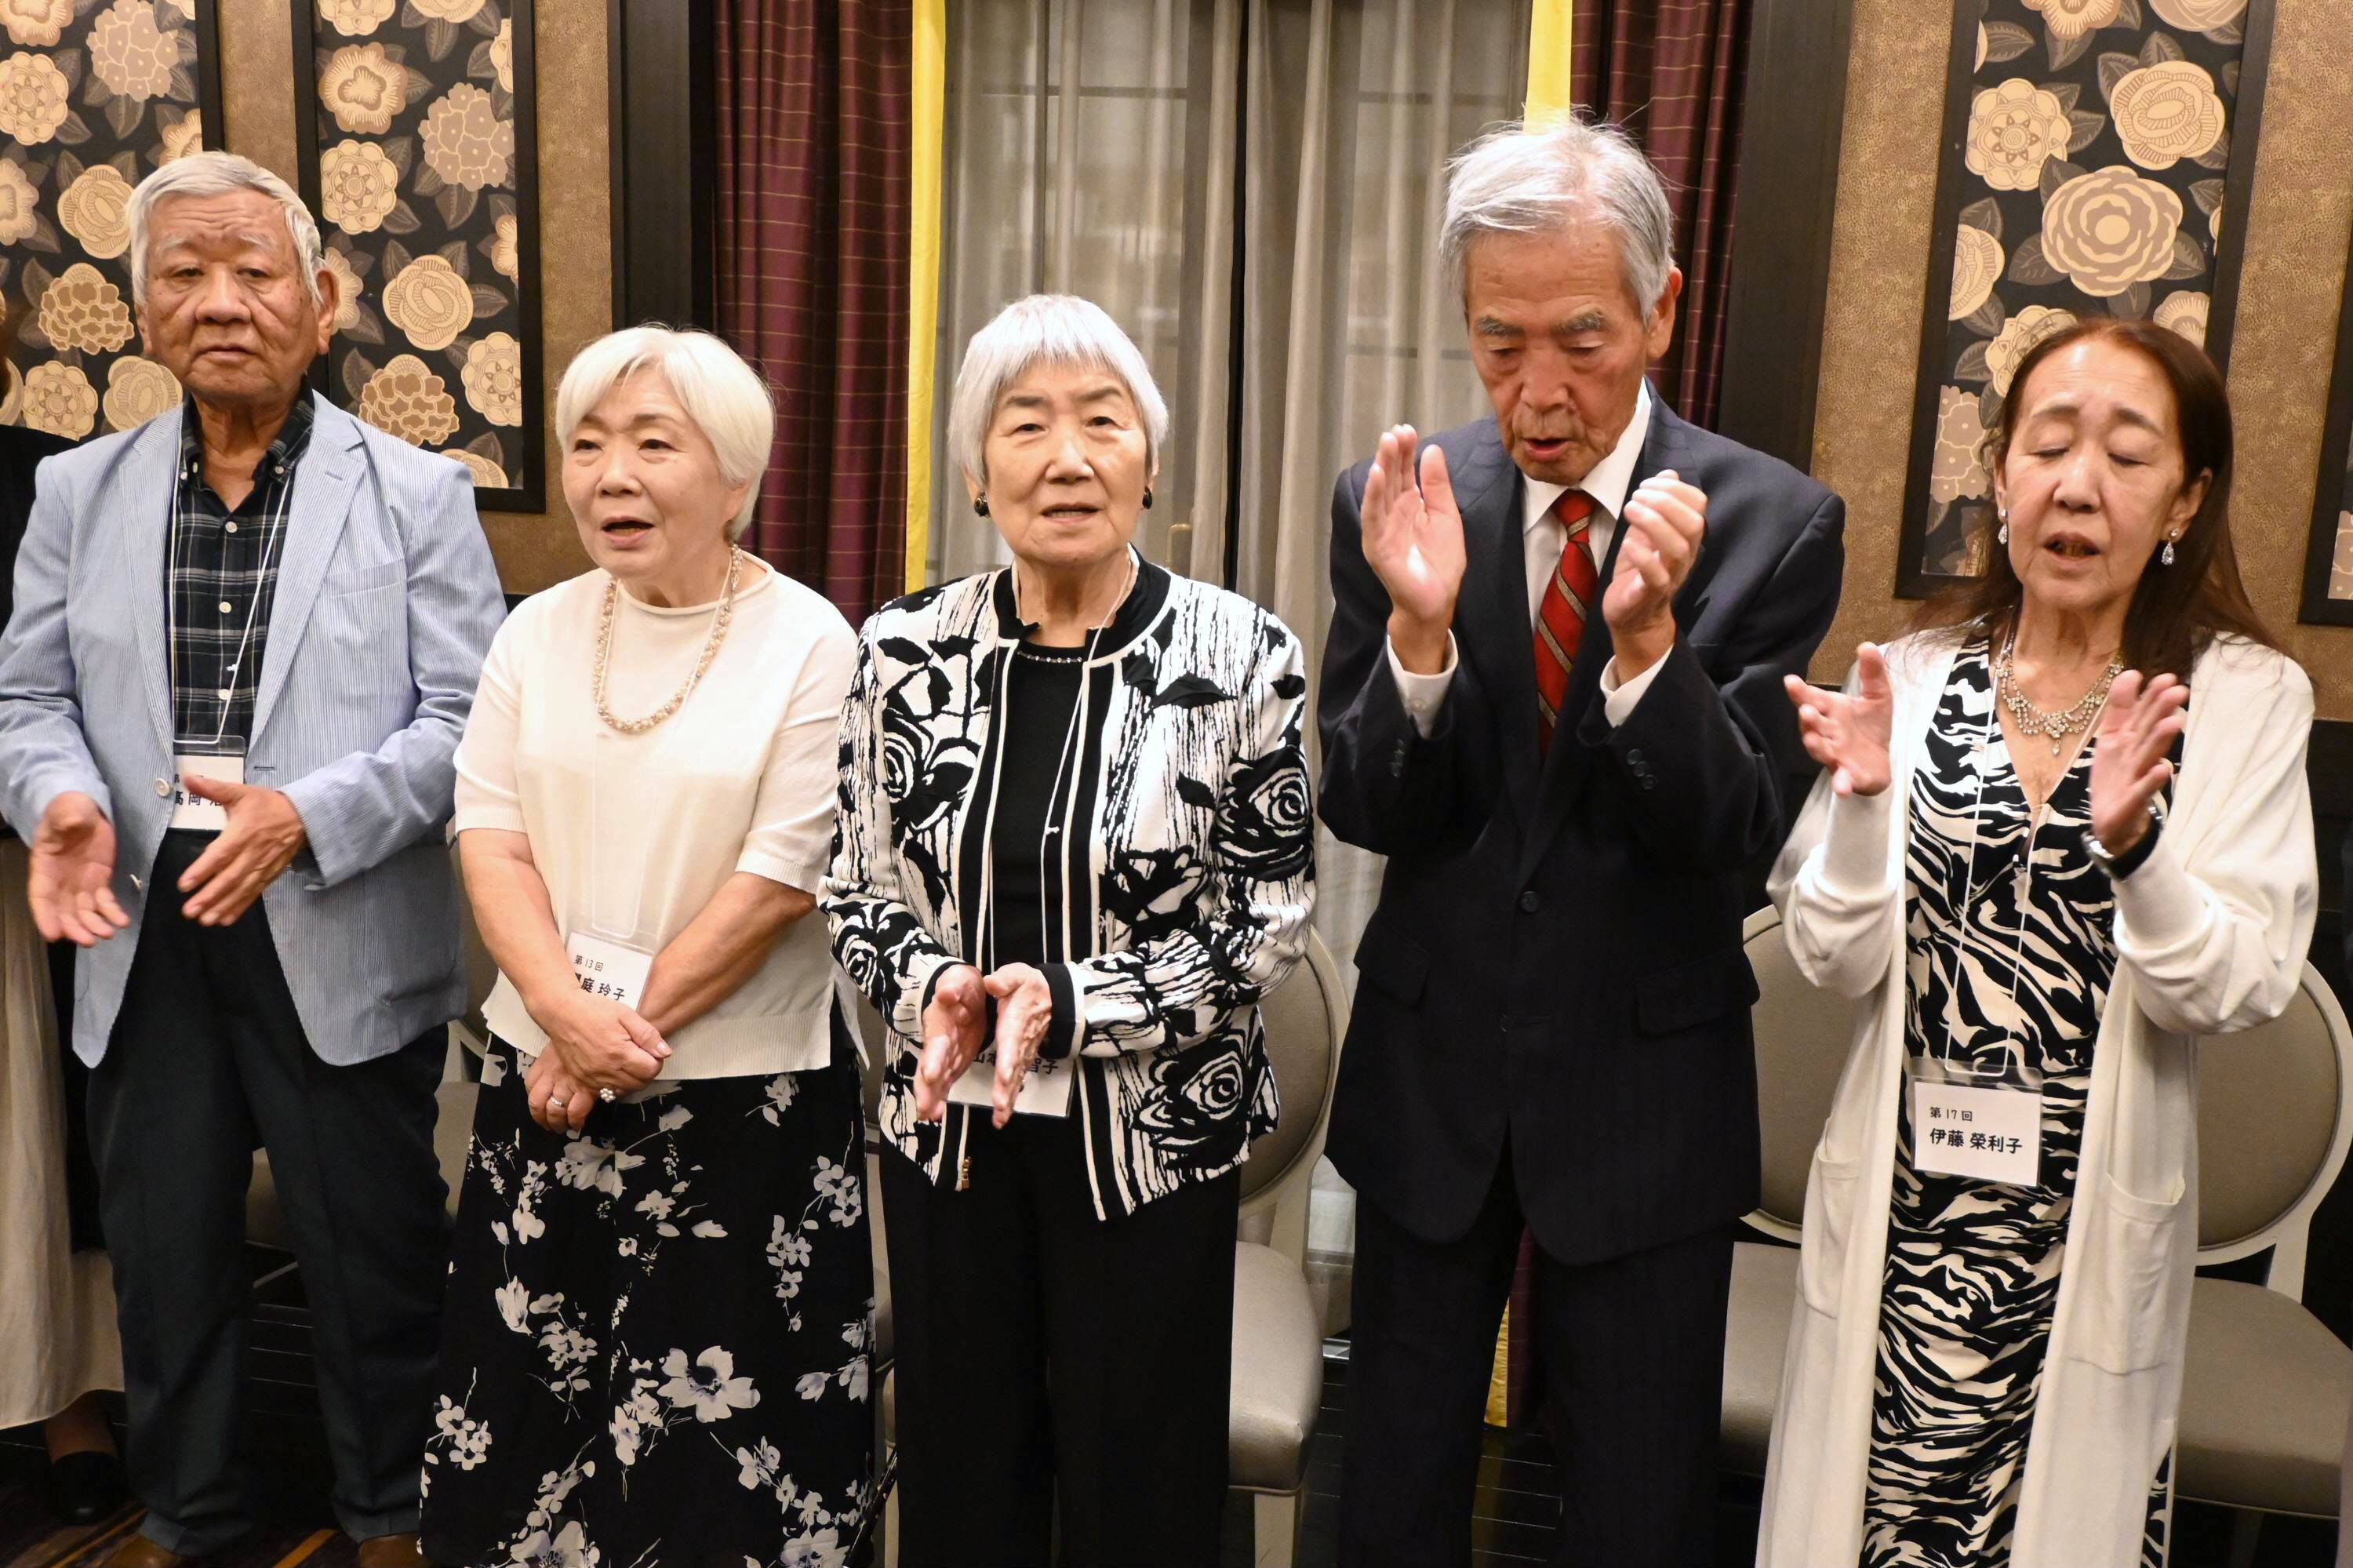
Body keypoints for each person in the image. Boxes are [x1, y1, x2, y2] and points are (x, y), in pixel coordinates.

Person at [1318, 117, 1846, 1567]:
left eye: (1582, 340)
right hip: (1433, 1073)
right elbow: (1366, 808)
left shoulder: (1771, 522)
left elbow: (1732, 834)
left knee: (1636, 1497)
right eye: (1499, 343)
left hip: (1644, 1089)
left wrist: (1650, 651)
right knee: (1396, 1483)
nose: (1538, 390)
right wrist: (1419, 636)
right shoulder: (1404, 500)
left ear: (1661, 310)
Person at [0, 151, 504, 1568]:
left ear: (322, 299)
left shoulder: (417, 494)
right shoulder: (75, 492)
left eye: (253, 271)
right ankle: (189, 1520)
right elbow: (27, 697)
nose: (220, 301)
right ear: (142, 312)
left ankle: (394, 1519)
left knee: (372, 1249)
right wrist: (58, 798)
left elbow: (468, 720)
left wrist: (309, 815)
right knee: (163, 1254)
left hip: (332, 906)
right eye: (185, 273)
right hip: (137, 919)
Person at [1762, 317, 2316, 1568]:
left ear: (2186, 499)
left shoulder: (2240, 699)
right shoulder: (1911, 676)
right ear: (2001, 471)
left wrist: (2139, 854)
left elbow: (2237, 985)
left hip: (2080, 1237)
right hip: (1905, 1226)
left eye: (2127, 455)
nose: (2078, 485)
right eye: (2050, 444)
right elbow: (1833, 960)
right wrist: (1863, 811)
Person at [825, 293, 1315, 1567]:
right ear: (977, 472)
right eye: (1026, 424)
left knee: (1138, 1486)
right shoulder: (901, 650)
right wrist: (932, 984)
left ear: (1148, 465)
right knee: (962, 1475)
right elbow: (856, 886)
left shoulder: (1241, 654)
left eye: (1103, 422)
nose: (1067, 457)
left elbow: (1265, 920)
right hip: (950, 1145)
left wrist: (1074, 1002)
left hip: (1150, 1144)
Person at [418, 326, 875, 1566]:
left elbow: (779, 883)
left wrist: (596, 1036)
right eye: (587, 445)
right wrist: (564, 1018)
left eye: (653, 445)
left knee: (720, 1467)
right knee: (529, 1440)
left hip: (741, 1111)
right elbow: (490, 836)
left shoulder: (814, 642)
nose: (610, 475)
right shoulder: (537, 630)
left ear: (736, 479)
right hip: (543, 1094)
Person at [0, 395, 128, 1526]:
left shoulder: (53, 480)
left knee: (31, 1153)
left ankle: (65, 1400)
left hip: (25, 865)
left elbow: (70, 685)